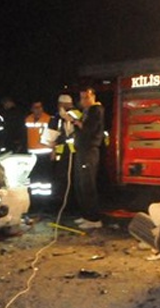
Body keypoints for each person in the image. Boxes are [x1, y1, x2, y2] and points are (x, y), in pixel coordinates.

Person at [72, 87, 104, 229]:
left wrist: (76, 122)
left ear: (93, 97)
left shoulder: (96, 110)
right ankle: (86, 215)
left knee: (87, 184)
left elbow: (89, 129)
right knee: (80, 183)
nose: (83, 101)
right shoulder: (86, 111)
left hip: (89, 151)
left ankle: (94, 219)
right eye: (81, 98)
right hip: (82, 150)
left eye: (86, 97)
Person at [47, 94, 79, 202]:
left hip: (70, 152)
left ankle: (65, 201)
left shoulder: (68, 115)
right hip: (67, 152)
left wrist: (52, 148)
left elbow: (54, 136)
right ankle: (65, 200)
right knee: (64, 178)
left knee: (65, 178)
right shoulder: (60, 116)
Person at [25, 101, 53, 197]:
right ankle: (34, 201)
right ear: (32, 109)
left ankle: (45, 203)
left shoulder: (48, 119)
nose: (38, 109)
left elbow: (53, 136)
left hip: (45, 153)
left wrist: (53, 151)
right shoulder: (28, 119)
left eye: (39, 107)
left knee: (45, 179)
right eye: (35, 107)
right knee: (34, 178)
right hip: (32, 154)